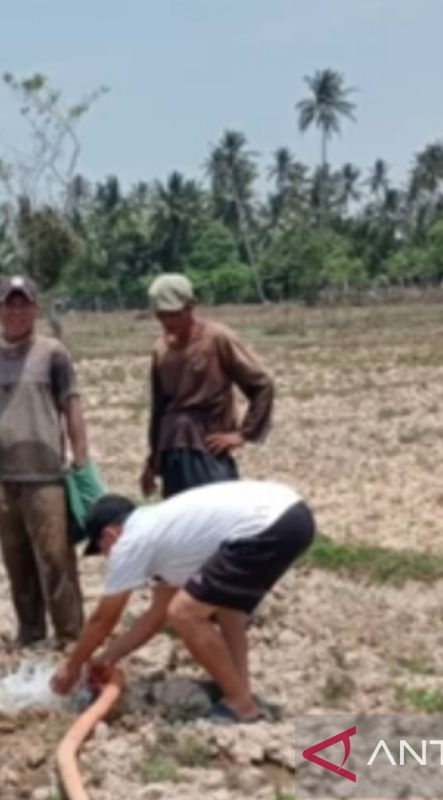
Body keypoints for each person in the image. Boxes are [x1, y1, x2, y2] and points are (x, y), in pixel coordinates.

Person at [49, 480, 315, 723]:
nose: (107, 557)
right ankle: (238, 689)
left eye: (102, 550)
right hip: (293, 515)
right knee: (226, 609)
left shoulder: (131, 541)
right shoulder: (162, 532)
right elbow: (157, 614)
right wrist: (107, 658)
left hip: (267, 524)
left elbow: (102, 619)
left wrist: (71, 667)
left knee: (185, 612)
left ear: (110, 535)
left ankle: (240, 705)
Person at [0, 276, 89, 647]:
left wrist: (81, 463)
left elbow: (72, 406)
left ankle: (70, 638)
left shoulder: (53, 353)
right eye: (9, 304)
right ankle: (31, 635)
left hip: (46, 473)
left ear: (35, 308)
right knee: (16, 561)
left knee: (55, 559)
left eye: (24, 304)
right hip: (3, 474)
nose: (16, 311)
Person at [140, 274, 274, 499]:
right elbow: (158, 410)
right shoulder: (161, 350)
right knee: (181, 526)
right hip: (172, 449)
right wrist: (153, 461)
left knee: (220, 519)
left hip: (207, 449)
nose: (167, 322)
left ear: (190, 307)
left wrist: (243, 434)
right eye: (161, 315)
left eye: (173, 314)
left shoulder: (217, 338)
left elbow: (262, 384)